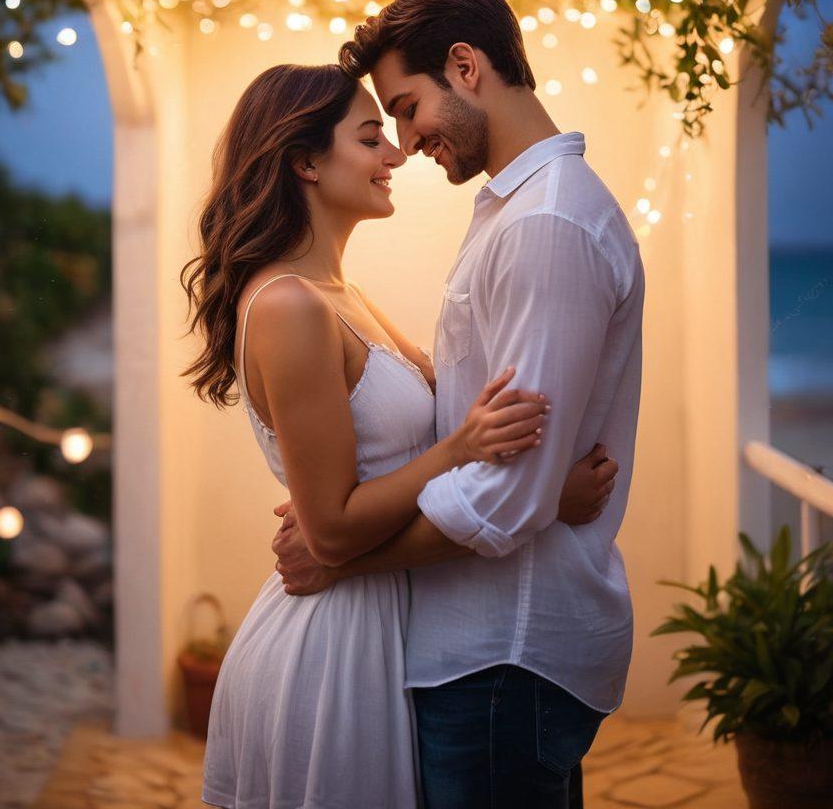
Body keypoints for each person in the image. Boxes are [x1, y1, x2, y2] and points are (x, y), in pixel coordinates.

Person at [182, 62, 618, 809]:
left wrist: (544, 486)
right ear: (305, 161)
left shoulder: (340, 294)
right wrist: (462, 451)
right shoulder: (290, 305)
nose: (396, 154)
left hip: (389, 627)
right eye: (370, 136)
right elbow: (332, 527)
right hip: (330, 651)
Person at [272, 0, 645, 809]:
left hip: (502, 656)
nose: (405, 142)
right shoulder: (515, 214)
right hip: (480, 656)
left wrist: (344, 559)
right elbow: (505, 455)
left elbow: (506, 496)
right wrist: (548, 488)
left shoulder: (547, 224)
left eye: (406, 108)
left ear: (467, 66)